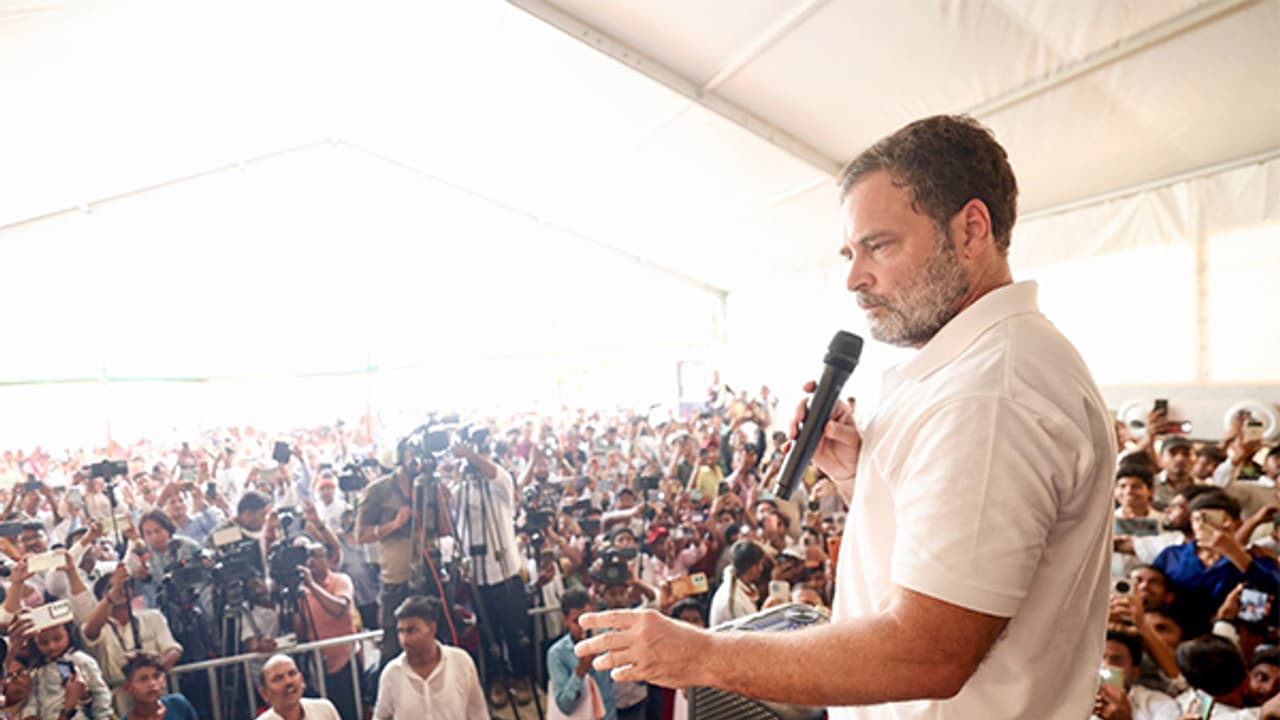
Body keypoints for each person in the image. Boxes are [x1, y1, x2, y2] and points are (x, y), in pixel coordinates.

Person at [573, 114, 1116, 718]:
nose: (855, 278)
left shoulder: (989, 395)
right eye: (850, 253)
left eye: (878, 246)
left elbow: (926, 654)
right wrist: (862, 476)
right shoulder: (972, 368)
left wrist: (701, 654)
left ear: (971, 231)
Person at [373, 595, 487, 720]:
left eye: (411, 631)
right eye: (400, 631)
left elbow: (478, 712)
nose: (404, 640)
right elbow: (381, 717)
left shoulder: (461, 662)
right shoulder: (391, 674)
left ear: (432, 629)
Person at [547, 588, 615, 720]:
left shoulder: (604, 638)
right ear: (565, 621)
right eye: (576, 622)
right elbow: (564, 706)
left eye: (587, 620)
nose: (584, 628)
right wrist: (580, 672)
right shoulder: (557, 654)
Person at [256, 654, 341, 720]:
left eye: (292, 673)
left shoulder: (324, 709)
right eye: (278, 679)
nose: (288, 681)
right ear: (264, 694)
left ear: (302, 679)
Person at [120, 654, 197, 720]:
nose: (152, 683)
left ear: (164, 681)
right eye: (143, 679)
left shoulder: (178, 705)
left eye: (156, 677)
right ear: (128, 688)